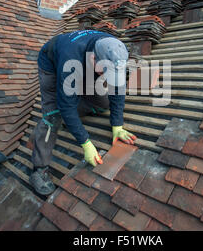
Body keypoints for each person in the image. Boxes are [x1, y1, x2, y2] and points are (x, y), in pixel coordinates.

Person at [30, 30, 137, 195]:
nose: (106, 77)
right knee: (54, 114)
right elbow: (66, 106)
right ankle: (39, 168)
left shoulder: (115, 52)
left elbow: (118, 88)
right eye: (104, 72)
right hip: (52, 63)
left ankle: (74, 108)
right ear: (93, 58)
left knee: (104, 102)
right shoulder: (70, 60)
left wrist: (117, 125)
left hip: (83, 64)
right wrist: (85, 143)